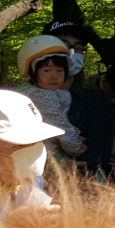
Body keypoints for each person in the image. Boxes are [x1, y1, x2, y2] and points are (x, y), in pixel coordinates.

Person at [45, 21, 115, 178]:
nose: (72, 52)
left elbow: (96, 162)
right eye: (64, 45)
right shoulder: (21, 100)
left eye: (78, 47)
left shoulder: (97, 105)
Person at [15, 35, 87, 165]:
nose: (54, 76)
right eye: (47, 70)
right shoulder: (42, 96)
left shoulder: (25, 91)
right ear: (31, 71)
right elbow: (60, 127)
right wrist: (77, 146)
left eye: (60, 70)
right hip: (45, 157)